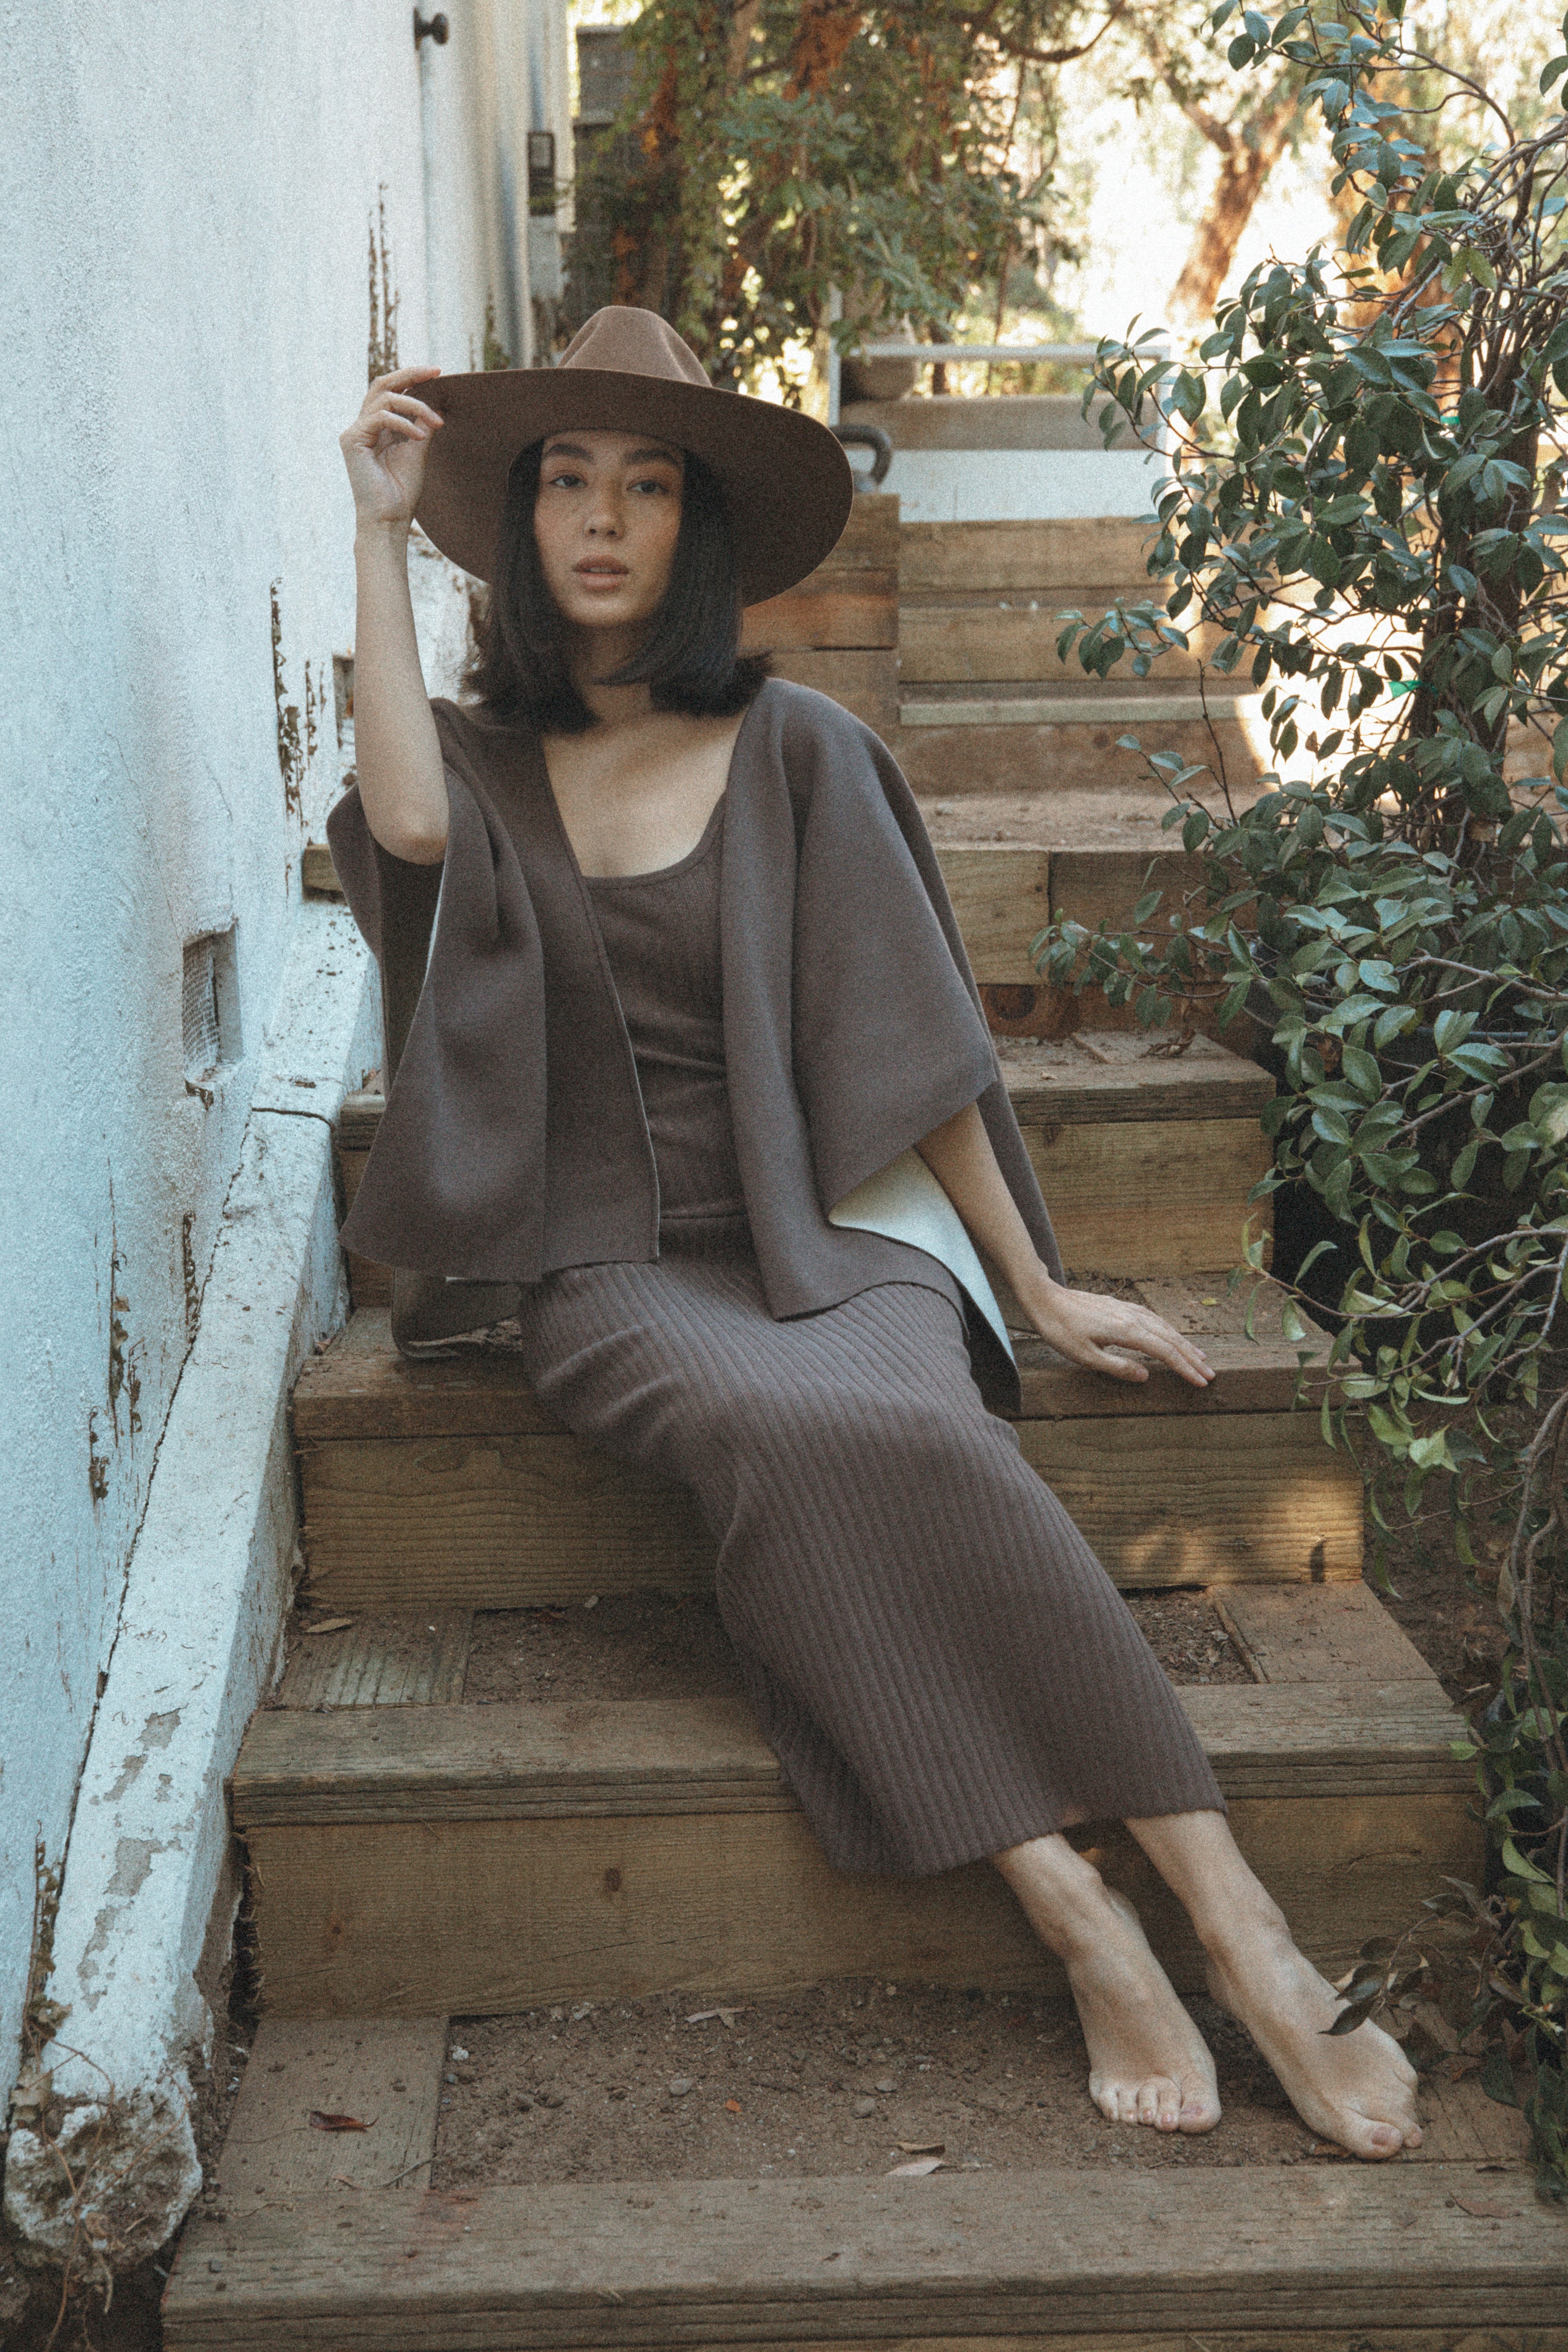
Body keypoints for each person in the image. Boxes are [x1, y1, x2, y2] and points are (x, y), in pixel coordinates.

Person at [332, 306, 1422, 2159]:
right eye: (567, 484)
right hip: (614, 1268)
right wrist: (374, 529)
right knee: (783, 1430)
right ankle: (1077, 1915)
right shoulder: (478, 762)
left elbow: (912, 1051)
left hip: (831, 1233)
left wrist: (1035, 1287)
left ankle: (1239, 1922)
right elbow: (409, 831)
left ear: (698, 529)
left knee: (915, 1426)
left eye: (648, 487)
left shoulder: (800, 750)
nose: (602, 521)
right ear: (518, 525)